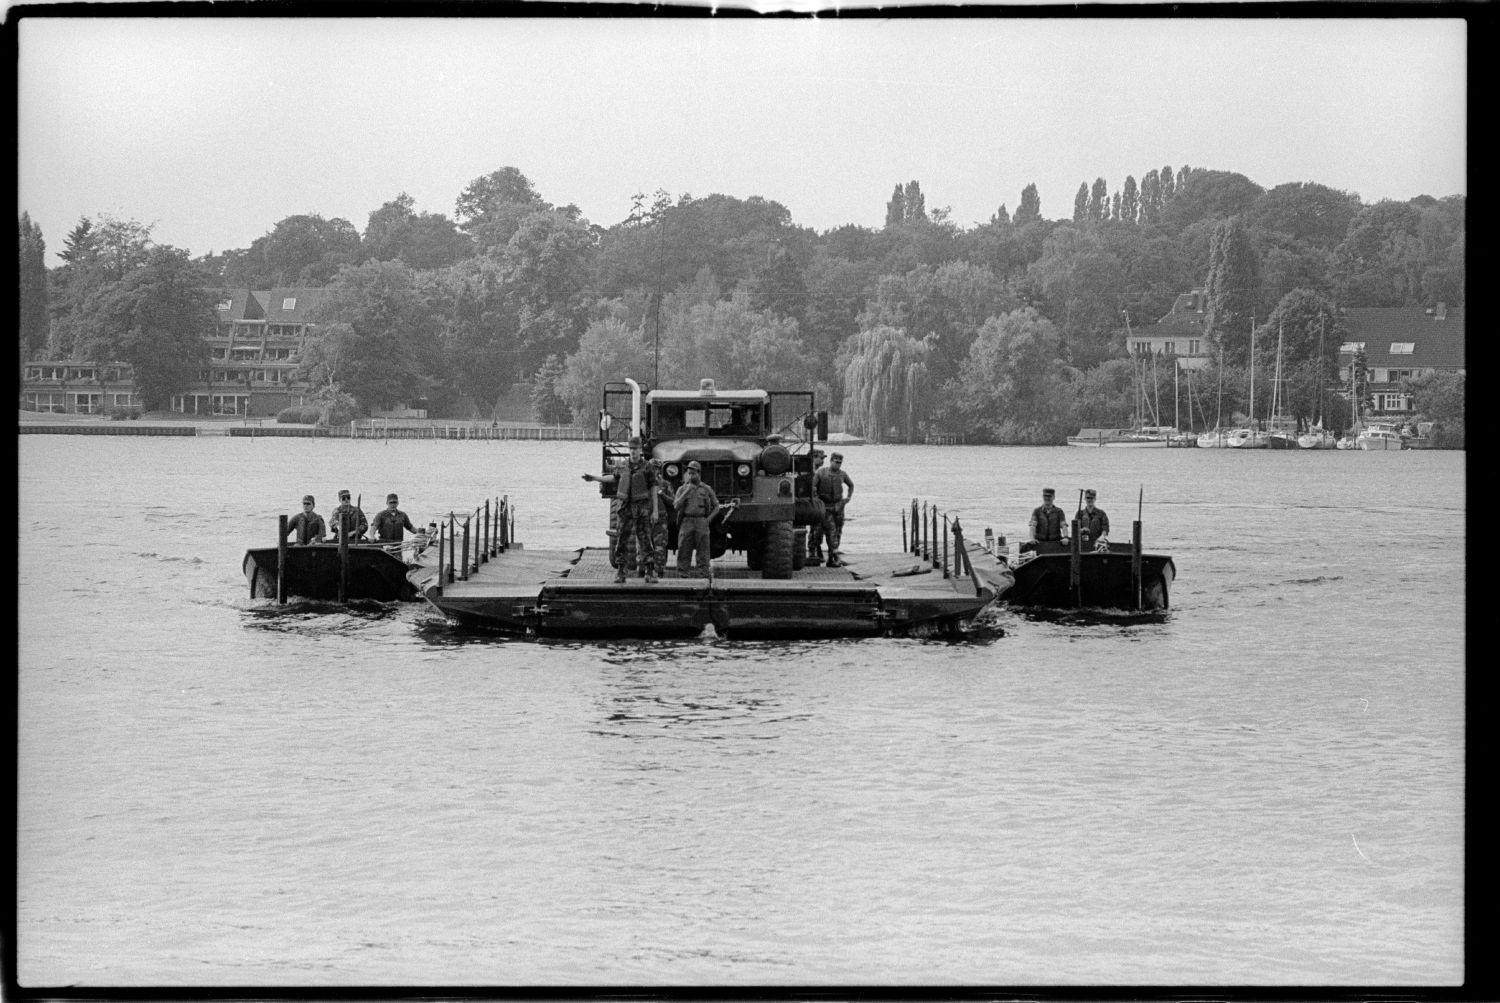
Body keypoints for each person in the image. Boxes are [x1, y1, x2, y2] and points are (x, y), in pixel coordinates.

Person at [583, 436, 660, 584]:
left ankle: (650, 571)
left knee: (645, 540)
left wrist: (655, 510)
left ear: (640, 450)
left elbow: (653, 488)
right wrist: (595, 478)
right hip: (626, 508)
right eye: (631, 449)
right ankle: (621, 571)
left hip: (642, 508)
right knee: (622, 540)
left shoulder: (648, 467)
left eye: (636, 449)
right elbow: (612, 478)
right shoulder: (624, 466)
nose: (633, 452)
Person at [673, 460, 719, 578]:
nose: (691, 476)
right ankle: (683, 572)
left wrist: (708, 519)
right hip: (687, 521)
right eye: (689, 473)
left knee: (703, 549)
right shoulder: (682, 489)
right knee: (684, 547)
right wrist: (687, 491)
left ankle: (703, 573)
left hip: (701, 521)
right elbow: (676, 506)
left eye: (693, 473)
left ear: (699, 473)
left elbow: (716, 506)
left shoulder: (706, 488)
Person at [813, 451, 854, 567]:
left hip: (839, 506)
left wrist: (848, 498)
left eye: (840, 462)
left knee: (838, 531)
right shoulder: (821, 472)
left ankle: (832, 556)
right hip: (825, 506)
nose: (838, 464)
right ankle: (832, 556)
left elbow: (851, 485)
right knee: (831, 531)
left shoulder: (842, 474)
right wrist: (816, 499)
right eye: (836, 462)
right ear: (831, 461)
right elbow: (812, 486)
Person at [805, 449, 827, 563]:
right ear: (814, 457)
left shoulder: (813, 471)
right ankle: (813, 552)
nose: (823, 461)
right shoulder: (811, 471)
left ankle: (816, 551)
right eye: (821, 458)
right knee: (817, 528)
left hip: (813, 502)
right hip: (812, 503)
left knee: (817, 528)